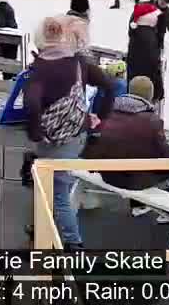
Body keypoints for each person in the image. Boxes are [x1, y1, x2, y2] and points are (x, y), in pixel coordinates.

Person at [22, 15, 116, 250]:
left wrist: (35, 133)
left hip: (51, 137)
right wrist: (101, 117)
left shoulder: (39, 69)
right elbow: (109, 85)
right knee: (54, 186)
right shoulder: (79, 63)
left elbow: (32, 104)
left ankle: (73, 243)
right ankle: (40, 229)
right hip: (77, 133)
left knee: (54, 191)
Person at [81, 75, 169, 215]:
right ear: (150, 95)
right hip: (135, 181)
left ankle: (138, 206)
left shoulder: (110, 112)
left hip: (109, 175)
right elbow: (166, 158)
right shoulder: (152, 120)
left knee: (133, 152)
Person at [125, 3, 165, 114]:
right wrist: (159, 91)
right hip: (147, 90)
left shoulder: (134, 34)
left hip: (132, 86)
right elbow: (154, 65)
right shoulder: (150, 38)